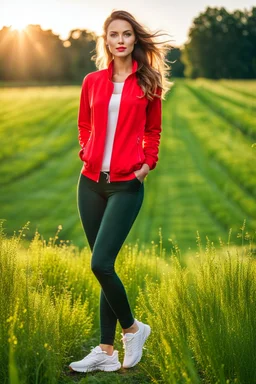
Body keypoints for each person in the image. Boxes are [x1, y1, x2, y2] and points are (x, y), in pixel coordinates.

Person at [69, 9, 173, 373]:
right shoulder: (92, 81)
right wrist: (86, 150)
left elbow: (153, 131)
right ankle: (106, 351)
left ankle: (133, 329)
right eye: (114, 34)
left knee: (100, 263)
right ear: (107, 40)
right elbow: (84, 123)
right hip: (90, 183)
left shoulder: (149, 82)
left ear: (134, 39)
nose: (120, 40)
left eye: (127, 34)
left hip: (126, 185)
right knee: (104, 266)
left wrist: (147, 165)